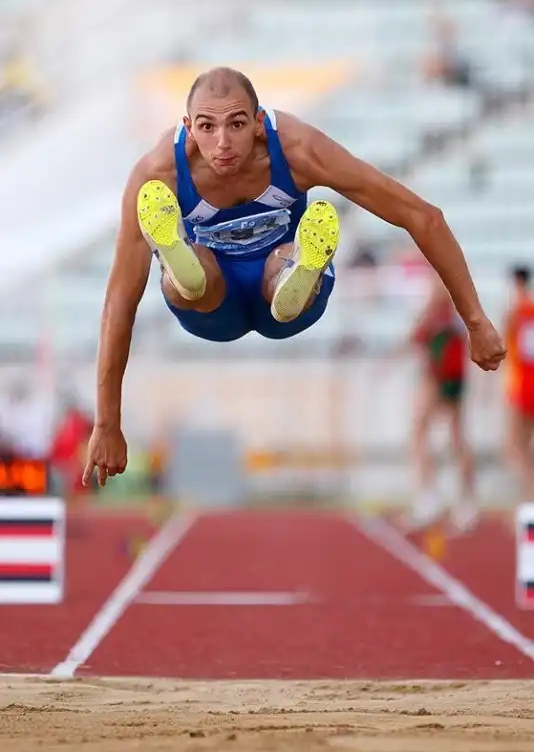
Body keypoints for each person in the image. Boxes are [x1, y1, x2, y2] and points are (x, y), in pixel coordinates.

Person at [82, 66, 506, 487]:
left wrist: (476, 321)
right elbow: (120, 298)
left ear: (259, 123)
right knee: (197, 275)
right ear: (188, 127)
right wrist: (106, 423)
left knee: (277, 270)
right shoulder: (159, 174)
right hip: (212, 303)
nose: (223, 142)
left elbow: (422, 216)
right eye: (208, 127)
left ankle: (300, 267)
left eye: (236, 124)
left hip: (285, 302)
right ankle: (179, 261)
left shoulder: (298, 149)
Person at [404, 273, 478, 531]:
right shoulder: (450, 283)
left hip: (440, 368)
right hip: (447, 367)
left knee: (424, 431)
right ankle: (459, 501)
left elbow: (424, 328)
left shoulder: (442, 283)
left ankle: (435, 498)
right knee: (450, 435)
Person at [503, 265, 534, 500]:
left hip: (522, 384)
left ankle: (529, 497)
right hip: (526, 381)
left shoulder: (516, 312)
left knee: (515, 445)